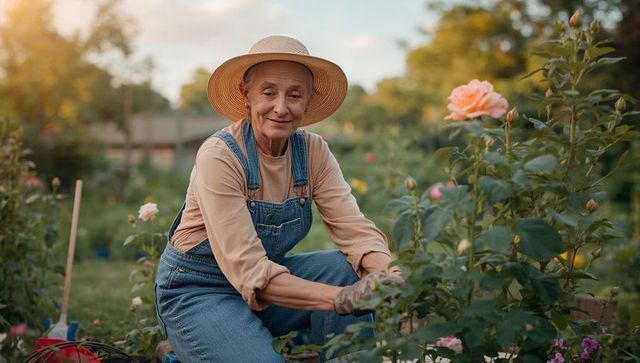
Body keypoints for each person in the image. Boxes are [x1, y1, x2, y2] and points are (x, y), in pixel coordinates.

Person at [155, 35, 403, 363]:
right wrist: (342, 298)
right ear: (246, 95)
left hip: (265, 283)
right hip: (200, 290)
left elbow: (355, 230)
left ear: (308, 100)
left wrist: (392, 277)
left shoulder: (313, 151)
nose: (281, 107)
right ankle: (190, 343)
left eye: (295, 95)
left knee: (348, 268)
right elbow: (250, 270)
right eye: (269, 92)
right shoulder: (221, 155)